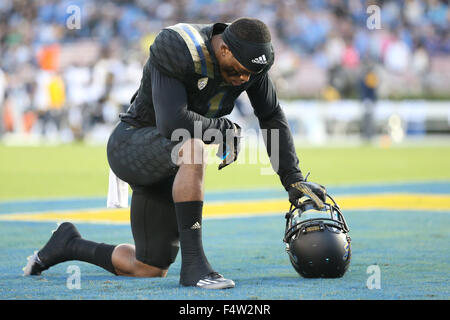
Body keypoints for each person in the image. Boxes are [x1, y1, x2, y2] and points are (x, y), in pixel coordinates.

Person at [24, 17, 326, 289]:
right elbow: (172, 122)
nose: (245, 79)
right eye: (241, 71)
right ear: (223, 50)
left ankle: (69, 243)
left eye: (252, 74)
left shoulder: (248, 63)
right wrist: (220, 128)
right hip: (132, 145)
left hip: (170, 165)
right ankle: (194, 267)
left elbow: (271, 115)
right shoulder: (179, 46)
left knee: (148, 267)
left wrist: (292, 180)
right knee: (193, 147)